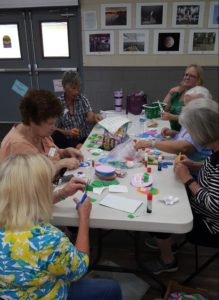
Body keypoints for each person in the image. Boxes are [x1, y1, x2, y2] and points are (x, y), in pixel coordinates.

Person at [0, 153, 122, 300]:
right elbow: (80, 268)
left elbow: (24, 202)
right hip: (47, 294)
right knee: (111, 288)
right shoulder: (48, 239)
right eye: (51, 184)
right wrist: (84, 218)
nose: (52, 187)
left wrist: (62, 193)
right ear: (41, 192)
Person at [143, 98, 219, 274]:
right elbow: (212, 170)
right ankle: (168, 242)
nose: (189, 136)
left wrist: (188, 179)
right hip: (201, 203)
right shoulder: (215, 147)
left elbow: (215, 206)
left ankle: (168, 260)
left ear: (203, 131)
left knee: (161, 215)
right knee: (163, 197)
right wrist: (194, 165)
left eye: (191, 131)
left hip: (211, 225)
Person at [0, 89, 83, 176]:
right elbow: (35, 180)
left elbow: (51, 153)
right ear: (32, 121)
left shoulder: (40, 133)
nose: (54, 127)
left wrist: (64, 152)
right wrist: (60, 164)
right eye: (50, 123)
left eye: (54, 123)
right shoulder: (17, 145)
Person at [135, 86, 212, 165]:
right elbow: (187, 137)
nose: (185, 109)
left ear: (203, 106)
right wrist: (174, 133)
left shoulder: (202, 123)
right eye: (185, 105)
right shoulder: (192, 117)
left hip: (193, 170)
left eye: (190, 106)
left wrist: (152, 143)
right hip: (180, 161)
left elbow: (184, 147)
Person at [52, 71, 102, 149]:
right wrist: (67, 132)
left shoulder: (82, 99)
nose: (77, 91)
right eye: (73, 88)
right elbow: (53, 128)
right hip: (68, 140)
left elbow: (90, 116)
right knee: (56, 135)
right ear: (64, 87)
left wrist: (95, 116)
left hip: (84, 138)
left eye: (78, 87)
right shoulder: (57, 103)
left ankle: (81, 147)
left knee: (98, 145)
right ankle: (76, 148)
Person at [161, 64, 204, 131]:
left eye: (192, 76)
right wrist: (170, 93)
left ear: (198, 80)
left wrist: (173, 117)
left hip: (188, 135)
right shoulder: (178, 91)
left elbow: (195, 119)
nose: (187, 77)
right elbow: (164, 108)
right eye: (186, 75)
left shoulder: (198, 96)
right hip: (171, 131)